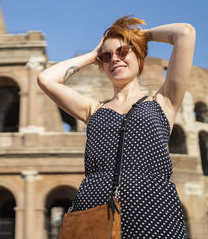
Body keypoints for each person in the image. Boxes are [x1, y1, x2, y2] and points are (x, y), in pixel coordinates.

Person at [37, 15, 196, 238]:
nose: (115, 59)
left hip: (155, 211)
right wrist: (93, 55)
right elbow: (46, 79)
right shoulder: (93, 109)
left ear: (138, 56)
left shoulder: (164, 102)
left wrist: (138, 37)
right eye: (107, 56)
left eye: (123, 52)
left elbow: (185, 33)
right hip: (96, 208)